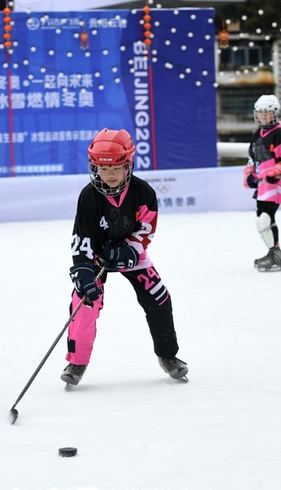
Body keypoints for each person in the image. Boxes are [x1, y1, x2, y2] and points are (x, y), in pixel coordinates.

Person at [61, 128, 187, 386]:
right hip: (96, 256)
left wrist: (129, 249)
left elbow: (147, 229)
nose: (109, 175)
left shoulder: (143, 192)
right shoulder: (88, 196)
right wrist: (83, 270)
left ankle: (168, 356)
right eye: (102, 169)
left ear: (128, 165)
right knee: (84, 302)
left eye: (115, 169)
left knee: (159, 296)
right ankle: (76, 362)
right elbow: (81, 236)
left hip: (131, 253)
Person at [243, 94, 281, 272]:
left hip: (274, 185)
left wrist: (277, 171)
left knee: (266, 219)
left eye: (267, 113)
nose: (263, 116)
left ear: (274, 114)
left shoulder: (280, 134)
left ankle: (275, 254)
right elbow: (252, 159)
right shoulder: (257, 134)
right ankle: (274, 253)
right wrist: (249, 174)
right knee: (261, 222)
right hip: (262, 186)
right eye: (260, 113)